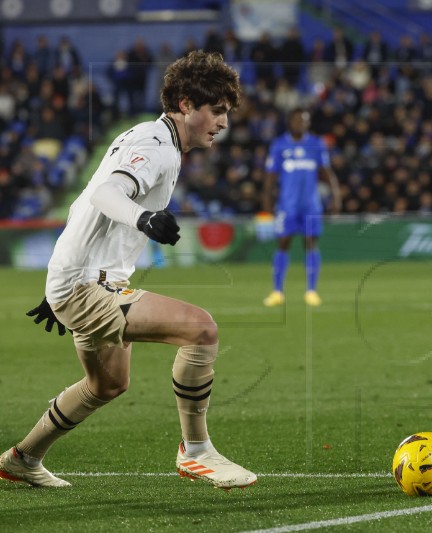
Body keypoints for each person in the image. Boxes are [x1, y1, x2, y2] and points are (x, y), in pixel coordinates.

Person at [0, 51, 256, 489]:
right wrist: (143, 219)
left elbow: (84, 204)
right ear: (186, 103)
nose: (224, 123)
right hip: (88, 285)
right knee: (201, 330)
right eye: (217, 111)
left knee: (106, 385)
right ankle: (196, 452)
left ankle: (22, 459)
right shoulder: (154, 146)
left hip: (84, 279)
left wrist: (60, 280)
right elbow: (105, 194)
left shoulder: (157, 142)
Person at [262, 108, 341, 307]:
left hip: (311, 205)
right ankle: (277, 291)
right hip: (287, 206)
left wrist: (336, 197)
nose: (301, 124)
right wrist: (266, 199)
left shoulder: (316, 144)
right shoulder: (279, 145)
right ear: (290, 122)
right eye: (298, 120)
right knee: (283, 244)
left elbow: (326, 172)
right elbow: (271, 176)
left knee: (311, 244)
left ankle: (311, 291)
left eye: (305, 121)